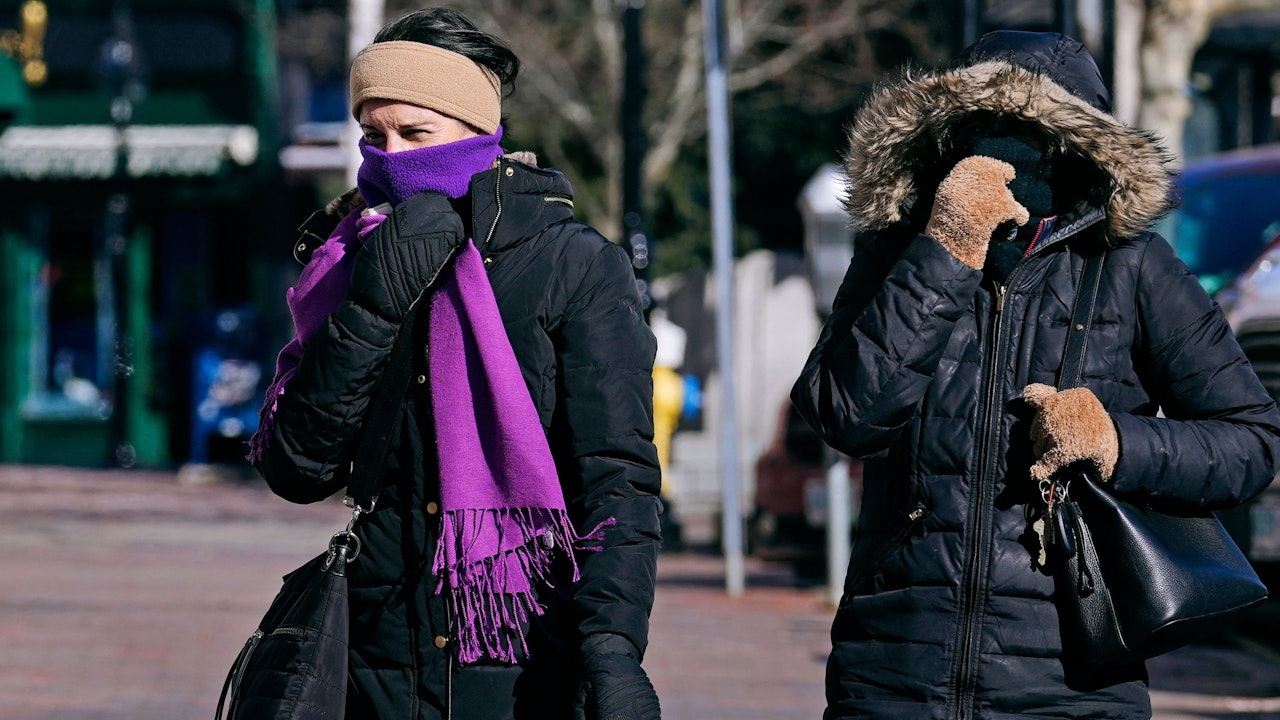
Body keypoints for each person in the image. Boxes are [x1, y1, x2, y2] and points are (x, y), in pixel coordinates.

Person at [790, 30, 1280, 720]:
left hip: (1073, 681)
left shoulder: (1132, 267)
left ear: (1079, 149)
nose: (1005, 152)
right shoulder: (902, 249)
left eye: (1033, 132)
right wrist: (948, 248)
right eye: (981, 129)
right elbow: (843, 414)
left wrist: (1118, 442)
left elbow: (1255, 442)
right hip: (894, 670)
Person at [248, 9, 663, 720]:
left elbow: (618, 481)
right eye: (373, 137)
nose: (391, 159)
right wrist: (376, 301)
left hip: (519, 652)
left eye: (416, 134)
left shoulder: (573, 265)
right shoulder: (349, 257)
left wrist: (613, 648)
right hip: (375, 661)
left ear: (478, 132)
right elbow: (298, 467)